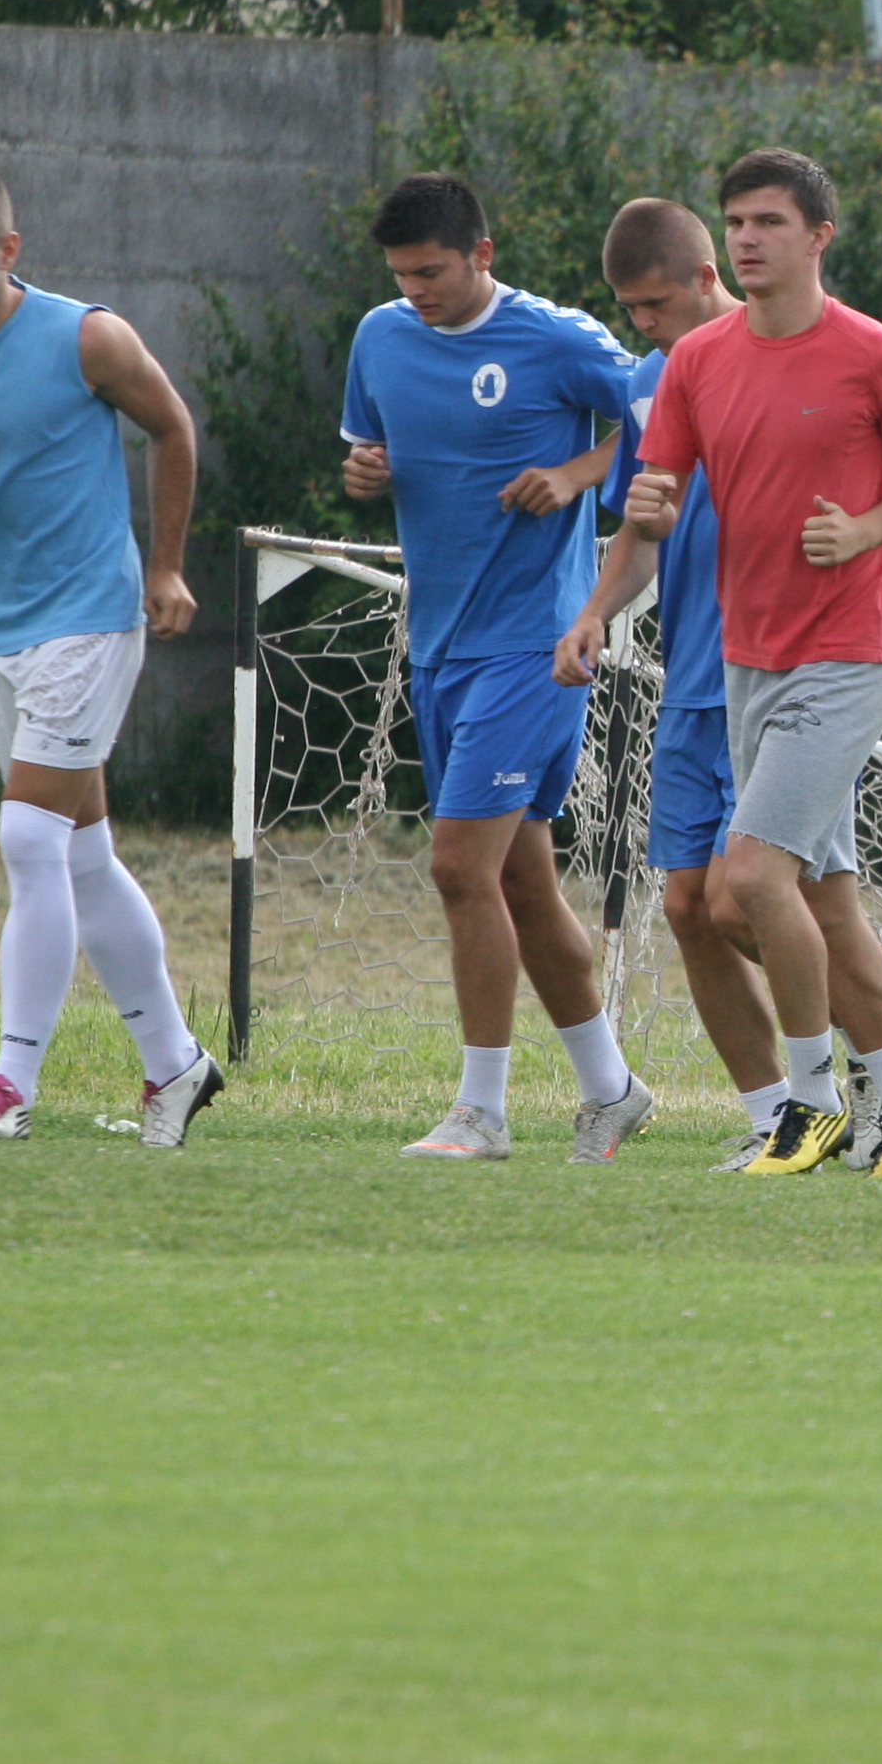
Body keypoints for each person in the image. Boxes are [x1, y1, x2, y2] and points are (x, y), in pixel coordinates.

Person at [620, 147, 882, 1178]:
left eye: (770, 222)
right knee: (811, 901)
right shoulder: (698, 361)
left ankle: (808, 1108)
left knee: (750, 881)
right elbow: (658, 489)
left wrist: (865, 533)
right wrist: (647, 505)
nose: (749, 239)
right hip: (744, 660)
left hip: (849, 658)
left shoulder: (879, 357)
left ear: (819, 236)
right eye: (737, 223)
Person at [0, 163, 220, 1148]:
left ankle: (9, 1086)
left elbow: (173, 429)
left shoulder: (88, 337)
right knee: (79, 853)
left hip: (88, 616)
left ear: (8, 252)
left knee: (28, 841)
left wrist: (165, 569)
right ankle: (176, 1066)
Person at [338, 173, 654, 1164]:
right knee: (521, 878)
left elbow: (663, 409)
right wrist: (365, 474)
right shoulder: (379, 337)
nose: (416, 291)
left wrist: (578, 474)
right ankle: (612, 1090)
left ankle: (482, 1109)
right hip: (438, 645)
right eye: (401, 275)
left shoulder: (556, 340)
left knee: (455, 865)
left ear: (482, 253)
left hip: (536, 646)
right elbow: (370, 450)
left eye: (432, 272)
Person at [553, 197, 792, 1172]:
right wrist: (595, 612)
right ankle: (775, 1112)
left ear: (707, 277)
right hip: (690, 675)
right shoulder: (650, 384)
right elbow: (644, 529)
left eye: (654, 303)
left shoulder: (785, 356)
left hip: (779, 673)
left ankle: (870, 1069)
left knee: (748, 899)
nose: (641, 325)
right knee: (688, 906)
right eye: (628, 309)